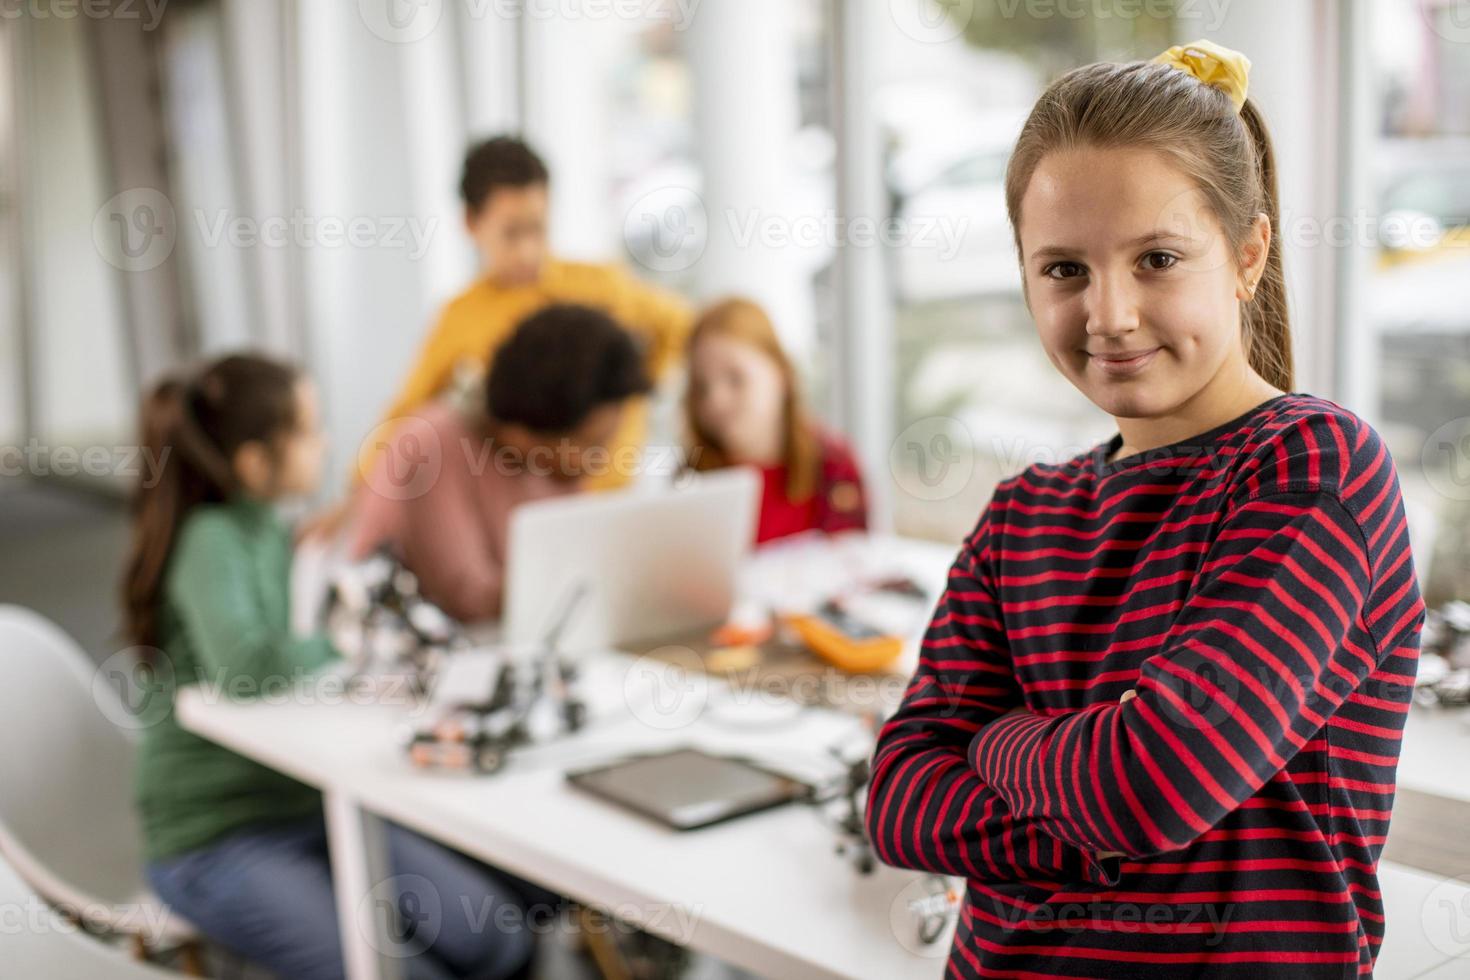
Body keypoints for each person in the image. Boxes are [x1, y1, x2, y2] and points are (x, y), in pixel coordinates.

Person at [866, 41, 1425, 979]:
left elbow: (1152, 785)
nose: (1110, 314)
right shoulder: (1021, 514)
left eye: (1157, 259)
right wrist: (1102, 788)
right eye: (1064, 270)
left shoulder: (1313, 469)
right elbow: (900, 802)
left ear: (1248, 254)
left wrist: (996, 740)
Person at [122, 354, 539, 980]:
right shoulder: (211, 539)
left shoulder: (265, 528)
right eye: (310, 431)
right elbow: (249, 666)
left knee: (495, 942)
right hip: (216, 834)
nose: (325, 444)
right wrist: (346, 638)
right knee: (403, 974)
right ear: (255, 462)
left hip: (309, 799)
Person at [370, 135, 691, 494]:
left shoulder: (602, 285)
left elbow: (681, 324)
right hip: (531, 504)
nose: (527, 251)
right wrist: (360, 490)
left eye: (537, 228)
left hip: (618, 491)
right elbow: (403, 416)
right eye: (511, 233)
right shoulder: (459, 317)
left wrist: (639, 387)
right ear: (471, 224)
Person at [351, 304, 653, 621]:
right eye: (590, 445)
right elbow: (469, 600)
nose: (600, 460)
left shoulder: (552, 463)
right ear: (523, 433)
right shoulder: (429, 447)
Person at [683, 297, 867, 545]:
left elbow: (855, 557)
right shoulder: (693, 477)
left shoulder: (834, 464)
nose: (716, 400)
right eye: (702, 387)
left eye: (735, 379)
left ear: (782, 375)